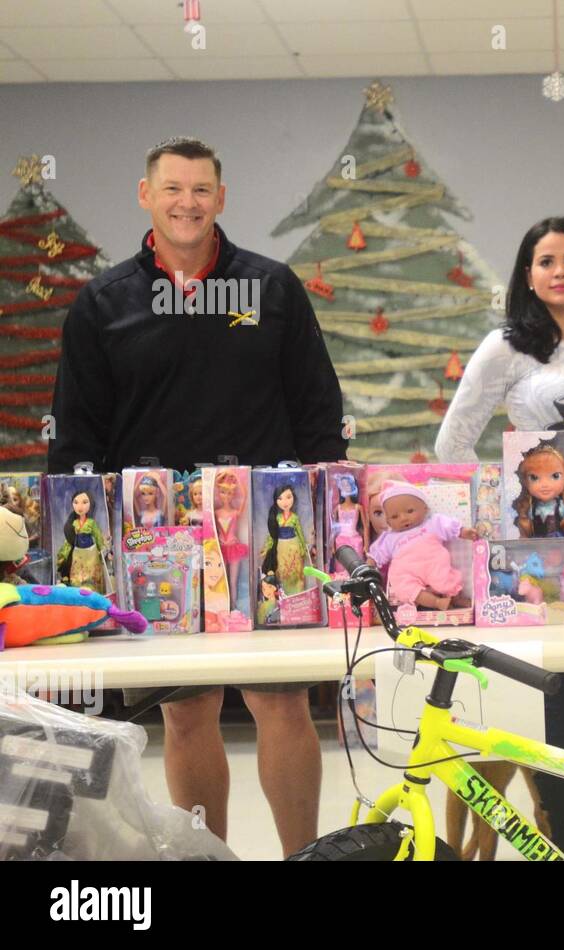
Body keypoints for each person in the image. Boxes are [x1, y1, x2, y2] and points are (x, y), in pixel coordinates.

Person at [48, 137, 346, 857]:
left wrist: (332, 516)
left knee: (282, 705)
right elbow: (76, 435)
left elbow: (317, 412)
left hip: (271, 537)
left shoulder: (271, 290)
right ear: (145, 195)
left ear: (222, 198)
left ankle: (300, 855)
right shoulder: (104, 303)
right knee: (186, 715)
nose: (188, 202)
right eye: (173, 188)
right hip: (159, 544)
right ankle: (208, 856)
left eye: (202, 189)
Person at [435, 216, 564, 860]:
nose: (561, 271)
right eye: (546, 260)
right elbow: (454, 442)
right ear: (527, 274)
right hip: (543, 551)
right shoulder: (505, 347)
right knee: (556, 696)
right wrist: (501, 511)